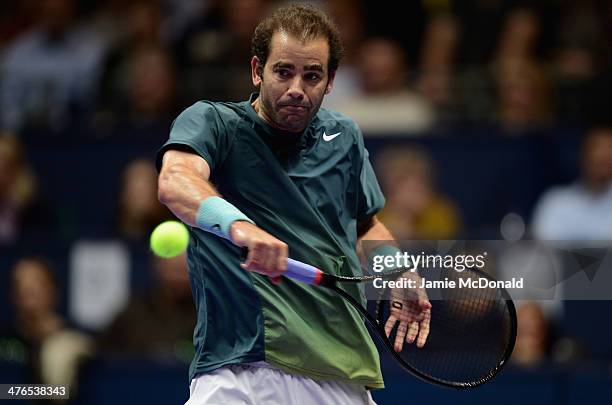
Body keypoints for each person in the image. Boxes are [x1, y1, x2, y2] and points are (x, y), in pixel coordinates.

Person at [156, 5, 431, 404]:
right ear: (257, 70)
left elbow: (366, 227)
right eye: (283, 71)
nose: (297, 88)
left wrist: (397, 271)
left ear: (331, 80)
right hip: (242, 368)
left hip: (340, 368)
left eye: (312, 75)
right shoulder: (215, 124)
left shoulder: (345, 137)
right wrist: (240, 226)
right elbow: (175, 180)